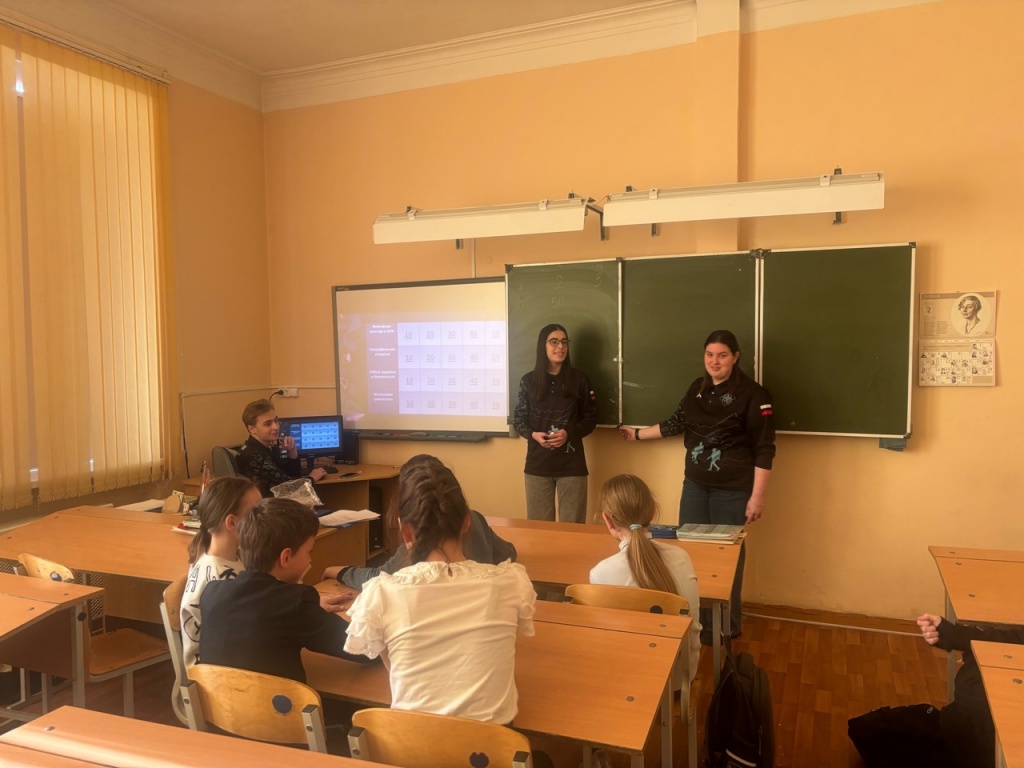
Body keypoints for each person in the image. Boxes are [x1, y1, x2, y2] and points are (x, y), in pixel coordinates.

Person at [344, 456, 536, 724]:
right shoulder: (509, 583)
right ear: (467, 521)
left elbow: (396, 673)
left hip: (412, 742)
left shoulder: (380, 595)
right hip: (494, 744)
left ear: (405, 532)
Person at [618, 329, 775, 640]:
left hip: (733, 490)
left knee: (725, 557)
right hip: (695, 485)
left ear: (735, 357)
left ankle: (727, 625)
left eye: (722, 355)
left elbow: (765, 449)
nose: (715, 362)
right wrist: (636, 435)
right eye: (709, 355)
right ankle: (698, 623)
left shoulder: (754, 395)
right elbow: (677, 422)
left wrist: (756, 498)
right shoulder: (697, 389)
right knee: (688, 552)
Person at [198, 497, 363, 682]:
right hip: (276, 701)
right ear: (286, 557)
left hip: (217, 699)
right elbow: (364, 647)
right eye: (309, 551)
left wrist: (309, 609)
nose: (310, 560)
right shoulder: (295, 602)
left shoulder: (212, 592)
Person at [848, 613, 1024, 768]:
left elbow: (971, 698)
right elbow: (1012, 638)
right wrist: (954, 635)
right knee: (867, 730)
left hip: (983, 744)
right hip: (961, 731)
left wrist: (971, 658)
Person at [322, 454, 517, 590]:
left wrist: (341, 571)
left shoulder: (418, 537)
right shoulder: (476, 518)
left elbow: (378, 578)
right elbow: (508, 553)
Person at [589, 474, 701, 683]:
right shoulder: (682, 557)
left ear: (607, 520)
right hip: (681, 679)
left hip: (631, 682)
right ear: (652, 512)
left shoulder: (600, 573)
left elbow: (605, 641)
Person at [512, 323, 597, 523]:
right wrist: (533, 435)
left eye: (564, 342)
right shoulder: (528, 381)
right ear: (543, 346)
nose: (560, 347)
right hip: (537, 466)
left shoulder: (580, 380)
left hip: (572, 467)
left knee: (573, 530)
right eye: (554, 342)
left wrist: (569, 433)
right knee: (539, 530)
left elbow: (590, 419)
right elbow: (519, 419)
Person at [180, 476, 261, 668]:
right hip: (217, 676)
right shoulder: (221, 579)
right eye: (257, 513)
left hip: (227, 664)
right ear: (231, 523)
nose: (264, 518)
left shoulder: (222, 557)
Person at [235, 399, 327, 496]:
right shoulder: (253, 455)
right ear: (252, 429)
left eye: (276, 420)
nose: (276, 427)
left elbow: (291, 477)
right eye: (268, 424)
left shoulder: (264, 448)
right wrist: (312, 477)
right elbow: (288, 487)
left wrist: (292, 452)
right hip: (270, 504)